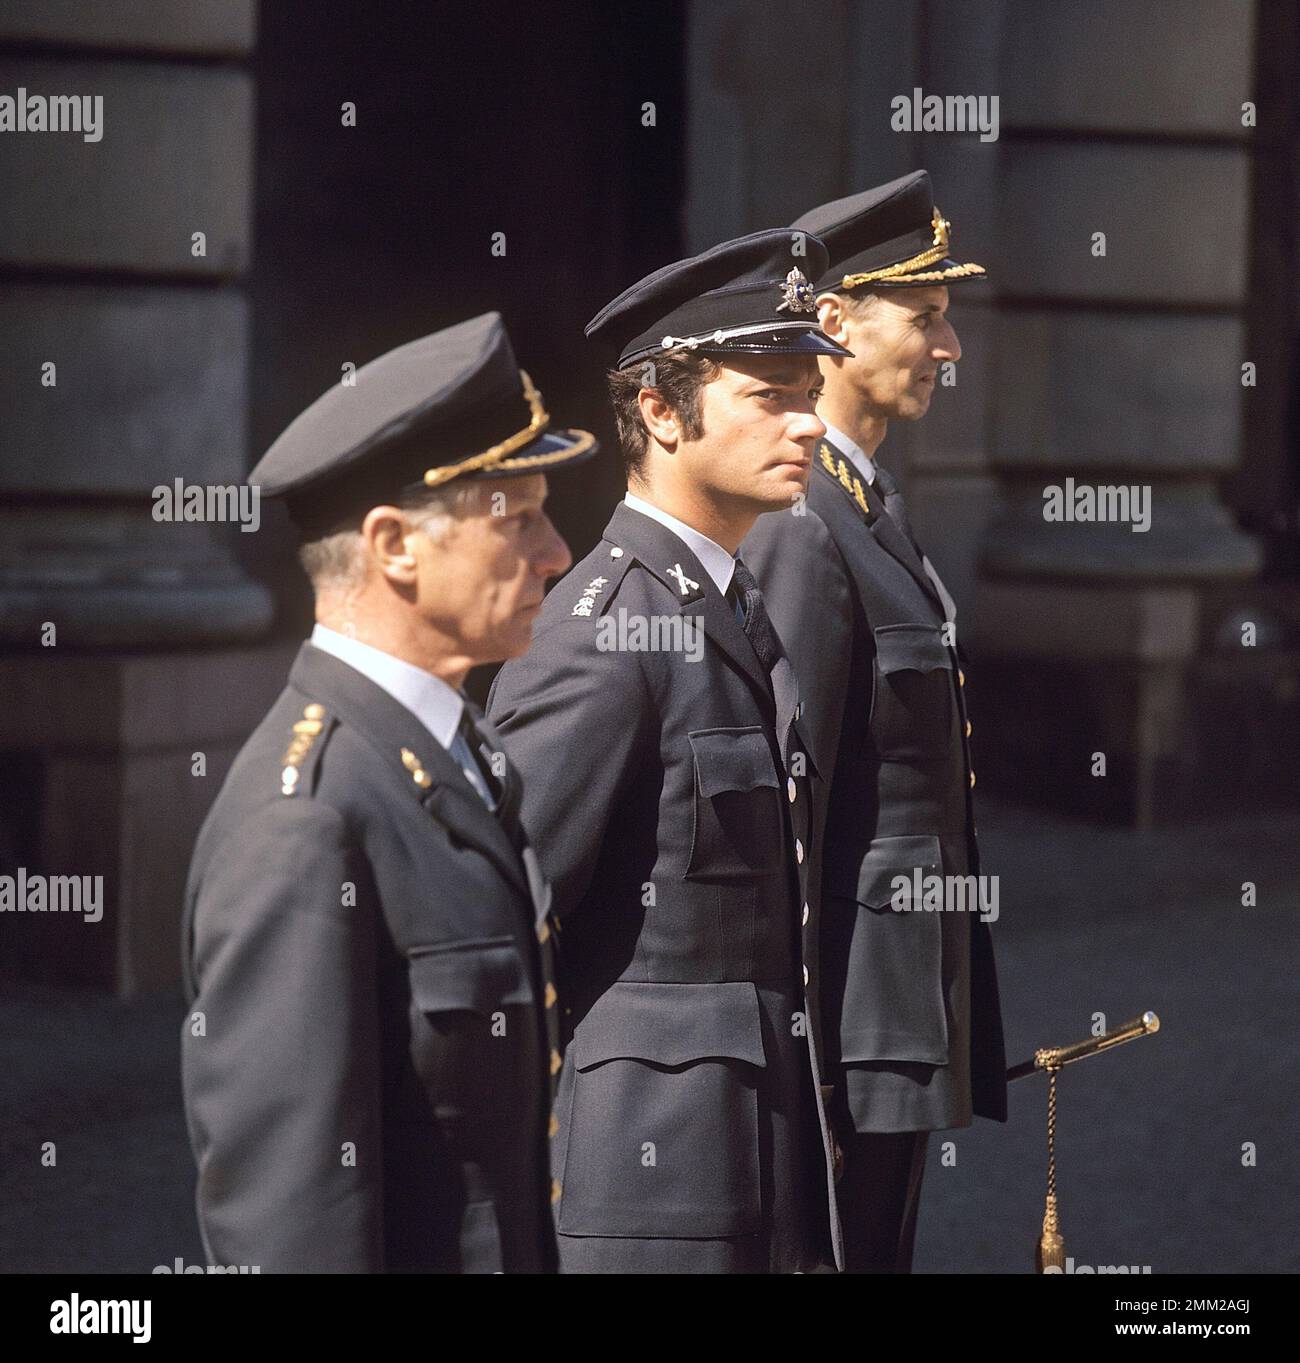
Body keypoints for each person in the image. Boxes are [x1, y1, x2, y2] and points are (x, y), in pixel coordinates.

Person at [180, 312, 593, 1272]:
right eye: (518, 516)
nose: (556, 552)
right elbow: (293, 1221)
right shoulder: (308, 818)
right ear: (394, 545)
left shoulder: (458, 749)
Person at [488, 230, 851, 1272]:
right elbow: (511, 932)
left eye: (810, 393)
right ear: (658, 410)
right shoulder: (607, 628)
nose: (808, 425)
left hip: (756, 1172)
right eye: (770, 394)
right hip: (651, 1199)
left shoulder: (727, 600)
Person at [742, 171, 1008, 1273]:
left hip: (896, 1010)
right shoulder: (803, 524)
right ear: (835, 322)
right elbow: (788, 813)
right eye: (927, 317)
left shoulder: (868, 504)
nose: (948, 348)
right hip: (847, 1030)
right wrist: (806, 1079)